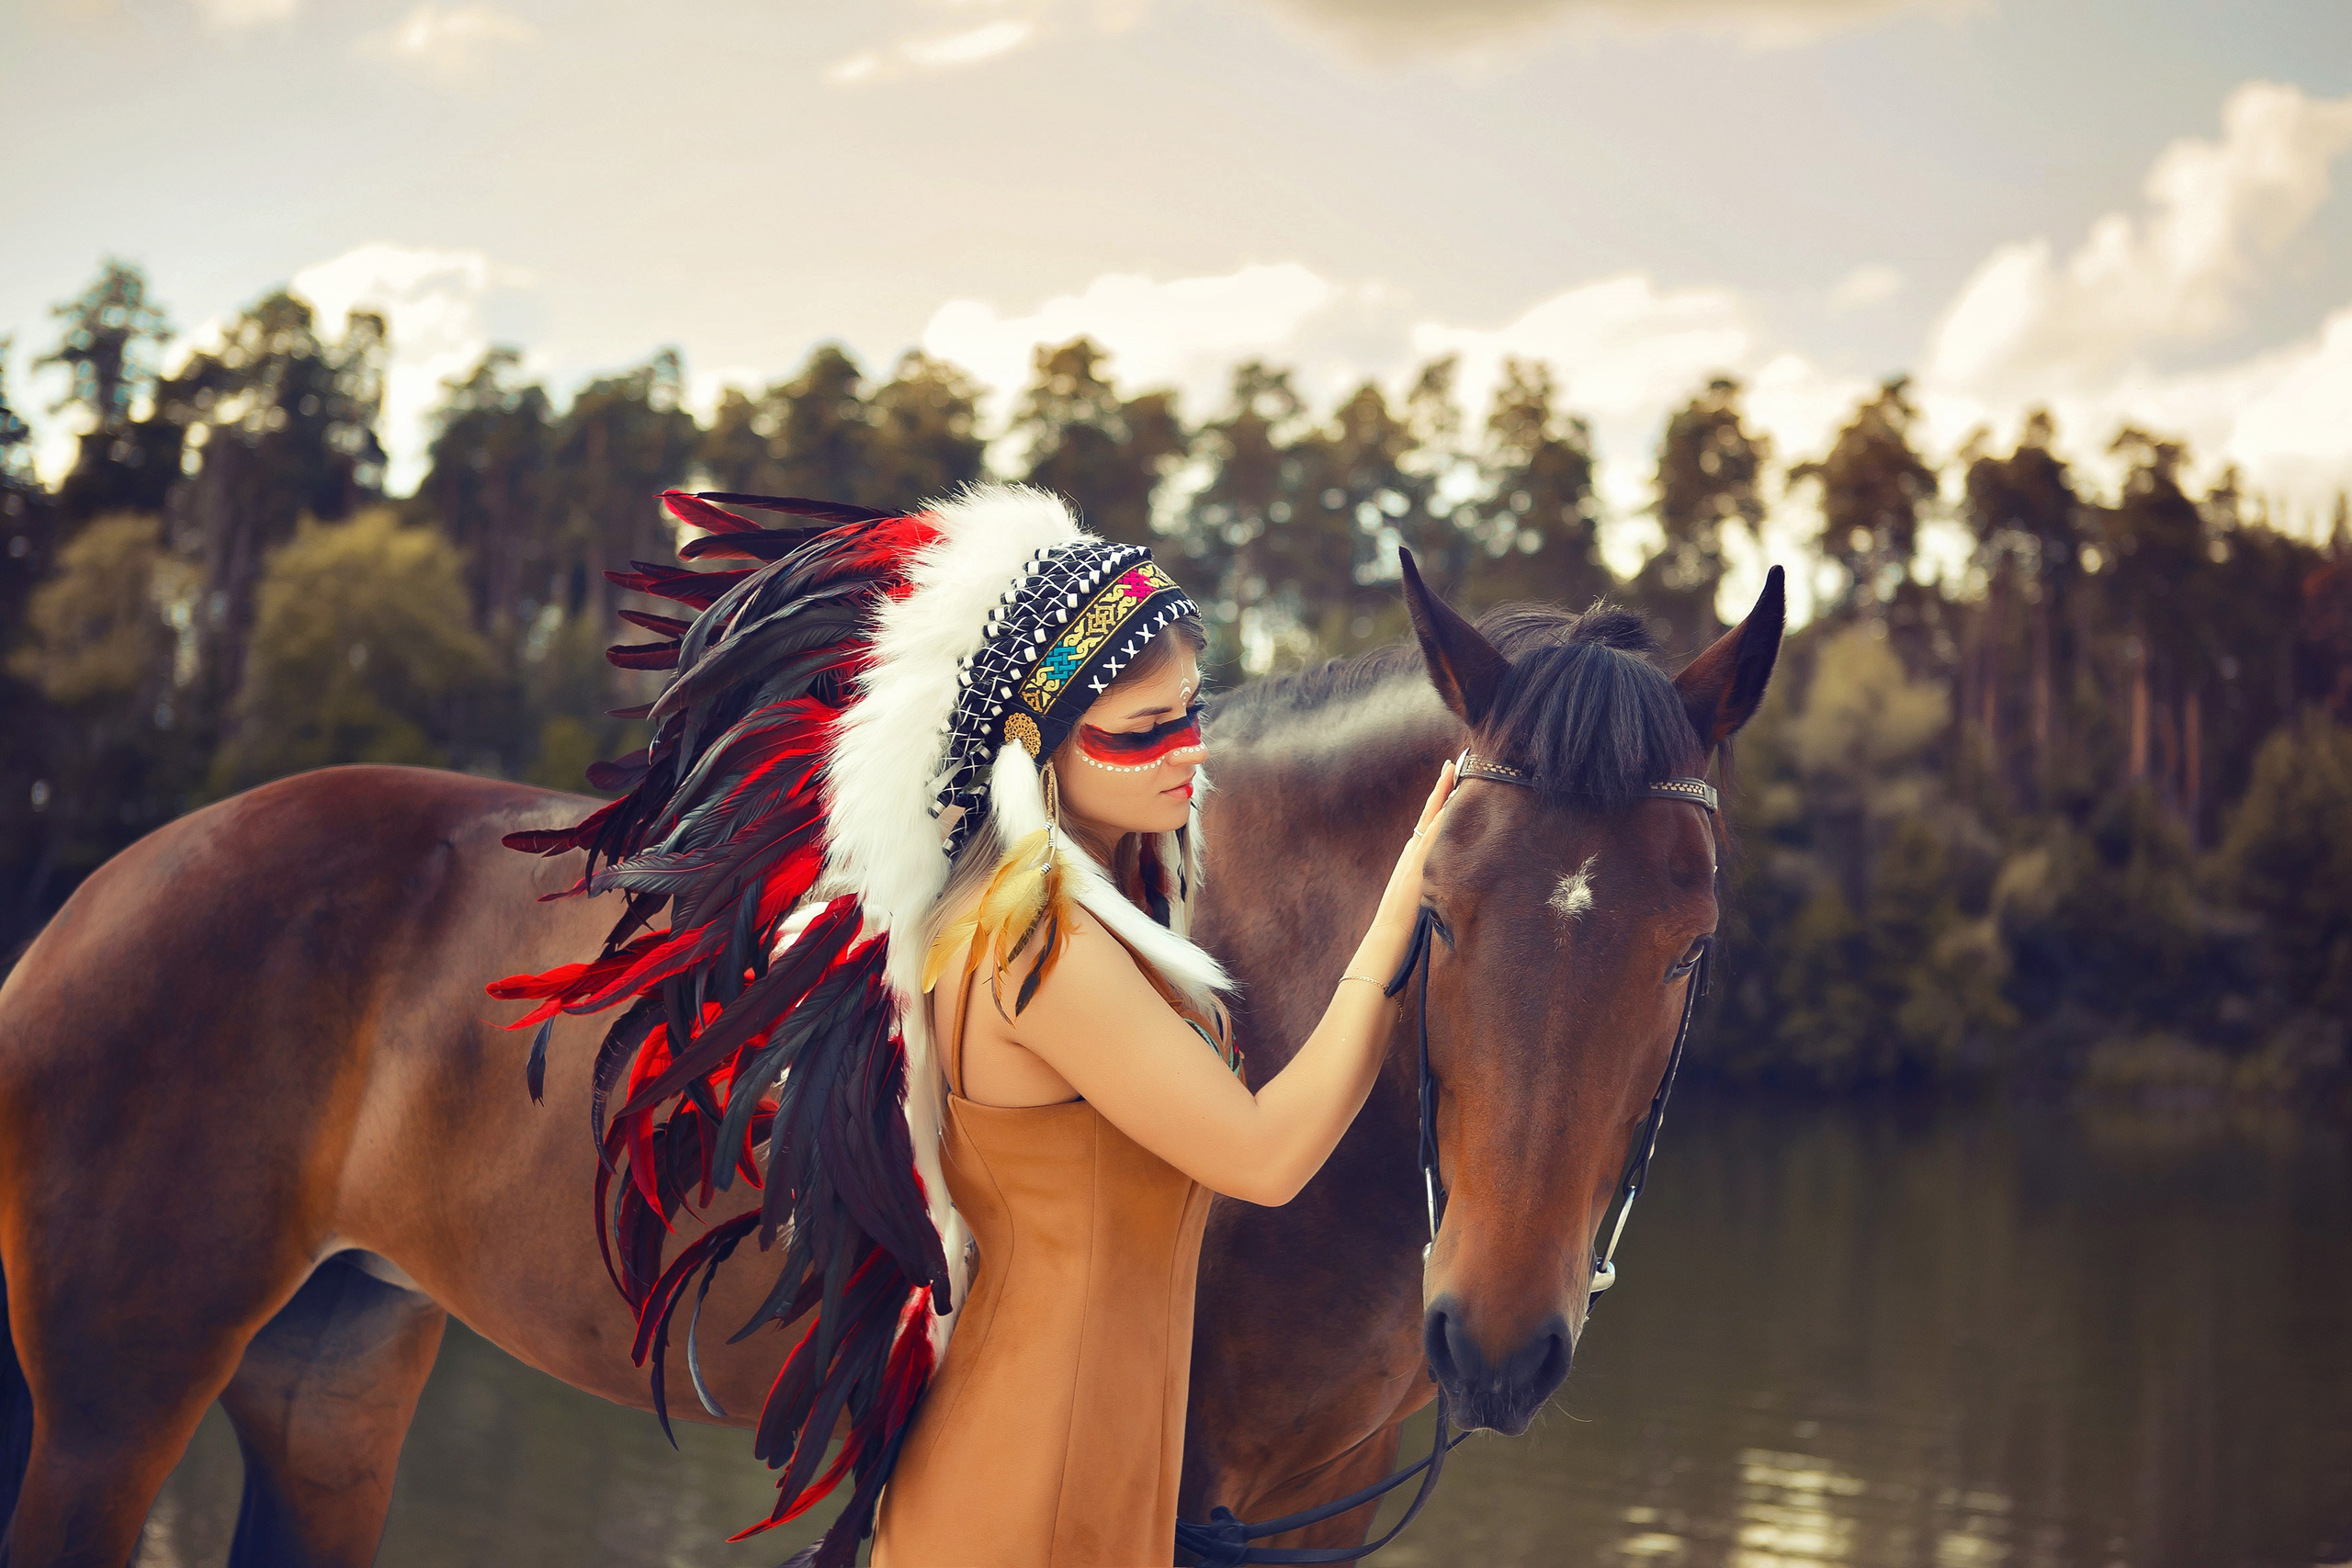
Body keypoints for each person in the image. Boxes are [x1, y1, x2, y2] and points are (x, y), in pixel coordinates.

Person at [493, 483, 1453, 1568]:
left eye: (1191, 710)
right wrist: (1398, 918)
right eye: (1141, 731)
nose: (1189, 749)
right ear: (1031, 746)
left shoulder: (1094, 922)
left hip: (1092, 1467)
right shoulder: (1035, 946)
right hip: (1028, 1487)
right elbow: (1268, 1158)